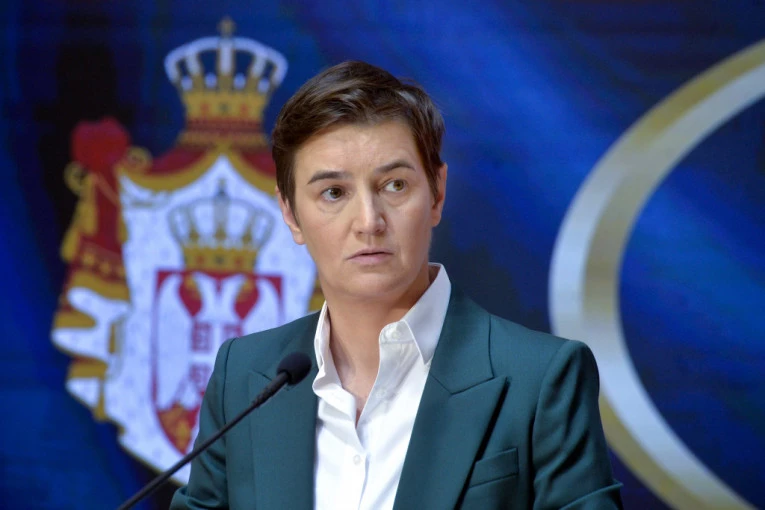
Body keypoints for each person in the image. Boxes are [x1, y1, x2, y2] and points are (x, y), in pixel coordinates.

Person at [171, 60, 623, 509]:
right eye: (333, 193)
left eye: (394, 186)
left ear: (437, 194)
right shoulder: (244, 377)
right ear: (290, 214)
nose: (369, 222)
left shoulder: (540, 379)